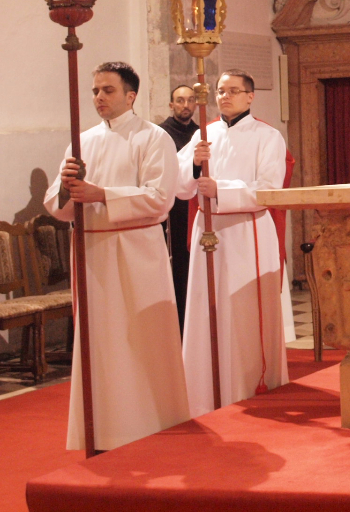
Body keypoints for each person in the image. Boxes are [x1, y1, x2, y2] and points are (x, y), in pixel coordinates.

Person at [43, 62, 189, 450]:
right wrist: (67, 188)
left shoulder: (153, 138)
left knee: (139, 339)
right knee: (101, 345)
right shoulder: (82, 142)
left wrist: (103, 194)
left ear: (130, 95)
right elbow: (58, 205)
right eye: (95, 90)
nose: (98, 97)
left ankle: (153, 419)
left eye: (107, 90)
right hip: (92, 253)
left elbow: (161, 199)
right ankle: (105, 428)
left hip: (136, 252)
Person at [177, 69, 289, 416]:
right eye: (220, 91)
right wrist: (193, 165)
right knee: (207, 307)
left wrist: (220, 190)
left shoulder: (267, 136)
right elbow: (179, 186)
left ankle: (248, 382)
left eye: (233, 91)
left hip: (246, 230)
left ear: (250, 97)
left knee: (241, 311)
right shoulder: (203, 134)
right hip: (208, 228)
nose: (224, 96)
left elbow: (269, 188)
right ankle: (205, 388)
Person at [159, 83, 199, 332]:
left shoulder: (200, 132)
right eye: (180, 100)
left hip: (196, 210)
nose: (186, 105)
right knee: (178, 271)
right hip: (173, 214)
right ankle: (178, 326)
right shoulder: (161, 134)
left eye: (191, 100)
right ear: (171, 104)